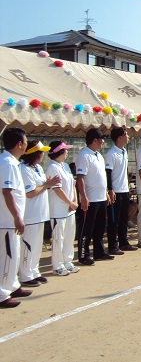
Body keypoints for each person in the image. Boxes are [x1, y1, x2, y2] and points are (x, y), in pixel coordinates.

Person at [17, 140, 59, 286]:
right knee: (28, 245)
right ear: (34, 153)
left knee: (36, 245)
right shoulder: (23, 169)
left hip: (40, 214)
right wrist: (46, 185)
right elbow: (30, 193)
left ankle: (34, 271)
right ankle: (25, 275)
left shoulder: (38, 168)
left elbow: (41, 187)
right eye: (41, 152)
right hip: (30, 215)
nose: (43, 154)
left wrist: (47, 184)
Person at [0, 128, 30, 308]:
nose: (26, 144)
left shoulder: (12, 162)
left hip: (11, 221)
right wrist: (17, 217)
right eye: (25, 141)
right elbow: (7, 192)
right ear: (19, 144)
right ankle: (2, 292)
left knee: (14, 254)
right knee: (7, 255)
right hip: (6, 220)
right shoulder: (7, 163)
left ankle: (12, 284)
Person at [76, 128, 112, 266]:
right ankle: (83, 255)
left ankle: (99, 252)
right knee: (87, 229)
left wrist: (106, 193)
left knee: (100, 227)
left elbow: (101, 176)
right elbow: (80, 178)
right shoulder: (84, 155)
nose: (103, 141)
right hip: (90, 199)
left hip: (101, 198)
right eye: (101, 139)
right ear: (95, 140)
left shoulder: (99, 155)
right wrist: (83, 197)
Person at [47, 140, 79, 277]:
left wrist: (75, 201)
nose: (67, 152)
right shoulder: (52, 167)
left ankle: (67, 261)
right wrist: (70, 203)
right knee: (58, 238)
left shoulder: (65, 166)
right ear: (59, 152)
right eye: (65, 150)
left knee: (69, 237)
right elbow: (57, 190)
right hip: (58, 210)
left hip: (69, 210)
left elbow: (72, 185)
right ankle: (58, 265)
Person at [105, 127, 136, 254]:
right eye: (126, 135)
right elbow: (108, 172)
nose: (128, 137)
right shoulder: (111, 154)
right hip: (115, 191)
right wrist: (110, 189)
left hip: (124, 189)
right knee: (114, 219)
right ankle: (112, 245)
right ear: (119, 138)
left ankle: (124, 242)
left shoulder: (124, 152)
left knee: (124, 218)